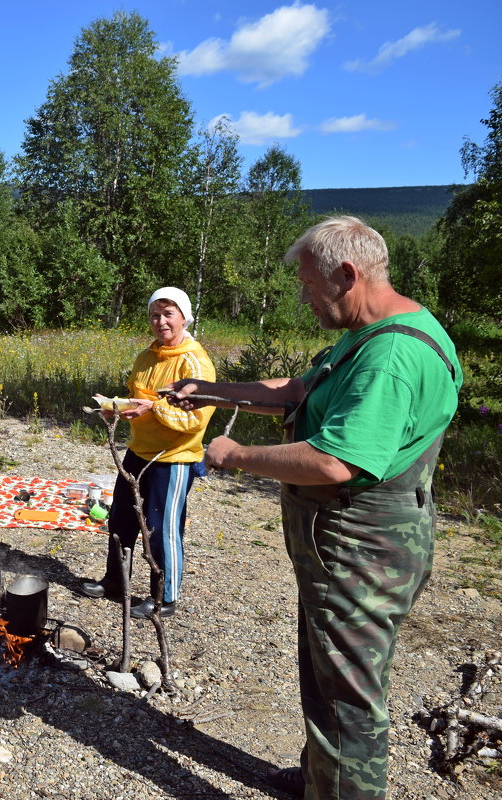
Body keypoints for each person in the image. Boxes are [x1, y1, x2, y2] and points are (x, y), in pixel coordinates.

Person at [164, 216, 462, 799]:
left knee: (347, 699)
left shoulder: (391, 358)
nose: (303, 297)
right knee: (328, 679)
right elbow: (302, 390)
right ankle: (321, 780)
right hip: (344, 551)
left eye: (308, 284)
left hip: (362, 552)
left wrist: (233, 453)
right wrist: (211, 391)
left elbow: (334, 462)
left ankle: (342, 787)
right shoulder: (375, 330)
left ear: (347, 275)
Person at [82, 286, 215, 619]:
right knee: (121, 520)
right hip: (137, 452)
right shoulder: (146, 356)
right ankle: (116, 582)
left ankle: (164, 597)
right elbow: (135, 398)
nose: (161, 321)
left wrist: (152, 409)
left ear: (184, 317)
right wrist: (116, 408)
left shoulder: (195, 362)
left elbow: (195, 418)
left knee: (161, 528)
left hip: (173, 458)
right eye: (155, 315)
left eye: (168, 313)